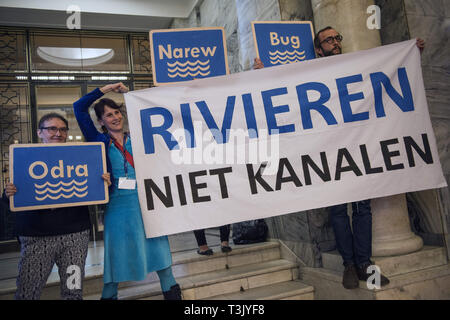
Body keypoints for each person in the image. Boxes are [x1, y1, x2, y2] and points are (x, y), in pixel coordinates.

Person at [255, 26, 425, 290]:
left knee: (362, 208)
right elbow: (283, 89)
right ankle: (349, 265)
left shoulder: (355, 66)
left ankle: (365, 265)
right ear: (318, 48)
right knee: (337, 210)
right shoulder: (310, 72)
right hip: (328, 152)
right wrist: (261, 75)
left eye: (337, 38)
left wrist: (409, 55)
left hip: (356, 148)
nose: (335, 42)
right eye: (328, 40)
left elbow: (387, 73)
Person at [73, 83, 181, 300]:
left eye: (116, 112)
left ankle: (172, 292)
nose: (115, 117)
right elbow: (78, 107)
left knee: (159, 249)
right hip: (118, 205)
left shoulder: (140, 136)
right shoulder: (99, 140)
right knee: (116, 255)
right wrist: (108, 88)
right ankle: (109, 295)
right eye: (108, 115)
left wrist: (134, 93)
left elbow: (160, 108)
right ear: (101, 121)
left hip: (148, 202)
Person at [2, 113, 92, 300]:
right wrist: (8, 193)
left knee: (73, 290)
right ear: (40, 132)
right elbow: (13, 198)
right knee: (28, 292)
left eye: (62, 129)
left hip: (74, 237)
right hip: (36, 237)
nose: (57, 133)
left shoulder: (80, 158)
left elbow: (93, 188)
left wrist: (101, 182)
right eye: (52, 128)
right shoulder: (24, 157)